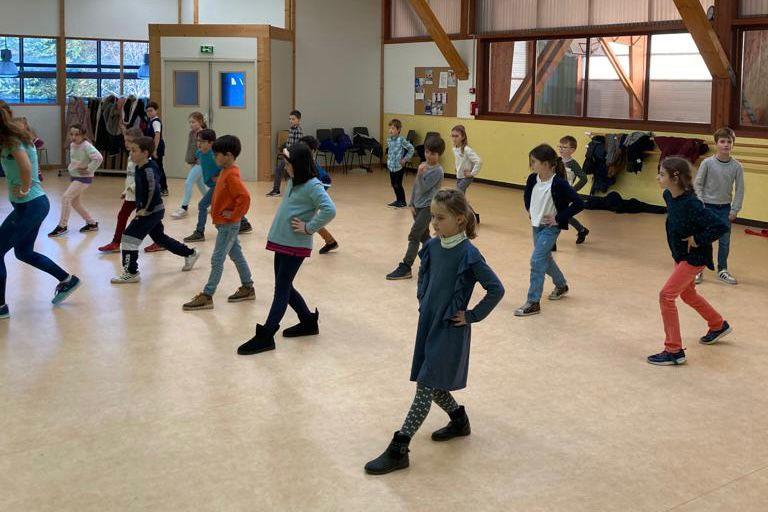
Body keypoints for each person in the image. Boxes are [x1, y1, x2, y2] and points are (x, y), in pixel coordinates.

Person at [364, 189, 505, 475]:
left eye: (440, 218)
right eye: (432, 217)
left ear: (460, 219)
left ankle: (399, 448)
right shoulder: (432, 247)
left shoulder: (469, 254)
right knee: (433, 381)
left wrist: (471, 315)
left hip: (450, 329)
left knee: (425, 384)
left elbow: (496, 289)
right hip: (429, 323)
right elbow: (424, 275)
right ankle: (458, 419)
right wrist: (422, 299)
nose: (434, 224)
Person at [237, 142, 336, 355]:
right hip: (282, 241)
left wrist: (309, 228)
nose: (285, 167)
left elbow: (330, 209)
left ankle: (267, 335)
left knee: (281, 289)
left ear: (298, 164)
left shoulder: (312, 185)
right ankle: (308, 321)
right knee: (284, 285)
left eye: (288, 163)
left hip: (295, 245)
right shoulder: (293, 181)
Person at [647, 157, 732, 366]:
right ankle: (718, 324)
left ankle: (674, 350)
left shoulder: (692, 204)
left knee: (666, 296)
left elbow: (721, 226)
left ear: (675, 178)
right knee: (688, 294)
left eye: (662, 174)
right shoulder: (668, 195)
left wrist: (698, 239)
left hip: (694, 257)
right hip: (680, 255)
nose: (658, 177)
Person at [0, 101, 81, 318]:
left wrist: (24, 188)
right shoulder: (13, 137)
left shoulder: (11, 141)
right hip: (33, 205)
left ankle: (1, 307)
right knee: (23, 252)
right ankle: (67, 280)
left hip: (31, 205)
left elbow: (26, 167)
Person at [110, 137, 200, 284]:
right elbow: (141, 186)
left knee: (129, 237)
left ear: (145, 153)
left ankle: (131, 273)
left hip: (150, 211)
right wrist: (129, 190)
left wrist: (146, 209)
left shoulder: (149, 169)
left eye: (134, 150)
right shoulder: (139, 166)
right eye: (130, 150)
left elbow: (152, 190)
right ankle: (190, 253)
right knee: (159, 238)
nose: (130, 153)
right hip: (151, 210)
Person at [183, 135, 254, 310]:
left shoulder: (231, 175)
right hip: (224, 224)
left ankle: (207, 295)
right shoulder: (224, 171)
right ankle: (248, 287)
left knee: (217, 259)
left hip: (228, 225)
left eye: (217, 155)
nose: (214, 158)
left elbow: (244, 197)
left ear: (228, 155)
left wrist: (234, 215)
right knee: (236, 254)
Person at [515, 144, 584, 317]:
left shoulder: (559, 183)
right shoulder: (533, 178)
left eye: (534, 161)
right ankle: (561, 285)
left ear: (546, 164)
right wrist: (530, 210)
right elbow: (527, 196)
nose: (531, 165)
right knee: (545, 259)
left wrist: (558, 218)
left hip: (550, 228)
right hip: (536, 226)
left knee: (536, 261)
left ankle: (533, 302)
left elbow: (579, 203)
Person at [386, 135, 445, 280]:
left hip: (428, 207)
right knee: (424, 236)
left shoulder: (438, 171)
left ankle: (406, 266)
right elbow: (416, 186)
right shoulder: (424, 165)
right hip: (417, 206)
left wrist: (419, 174)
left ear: (439, 154)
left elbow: (424, 187)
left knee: (414, 235)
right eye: (427, 152)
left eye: (433, 153)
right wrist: (411, 203)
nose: (429, 155)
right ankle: (436, 262)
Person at [693, 127, 745, 285]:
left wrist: (735, 209)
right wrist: (700, 203)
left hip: (725, 209)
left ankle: (722, 269)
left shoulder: (737, 166)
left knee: (724, 241)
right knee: (704, 240)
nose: (726, 144)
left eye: (729, 141)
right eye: (722, 141)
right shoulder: (707, 163)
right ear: (716, 143)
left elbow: (740, 189)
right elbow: (698, 184)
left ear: (733, 144)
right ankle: (699, 268)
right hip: (707, 207)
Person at [183, 129, 252, 242]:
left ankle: (199, 232)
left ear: (211, 143)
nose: (199, 143)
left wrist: (219, 176)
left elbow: (225, 167)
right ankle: (244, 223)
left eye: (202, 141)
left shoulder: (215, 155)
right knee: (228, 203)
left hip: (217, 185)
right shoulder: (199, 153)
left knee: (202, 205)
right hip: (212, 185)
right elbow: (199, 160)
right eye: (197, 141)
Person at [47, 124, 103, 237]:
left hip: (84, 178)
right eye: (71, 134)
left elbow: (98, 158)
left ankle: (62, 226)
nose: (73, 137)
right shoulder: (72, 144)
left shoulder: (86, 145)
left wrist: (89, 169)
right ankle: (91, 223)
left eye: (77, 134)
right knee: (75, 202)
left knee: (66, 197)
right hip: (75, 177)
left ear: (83, 135)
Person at [97, 127, 143, 253]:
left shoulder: (141, 157)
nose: (126, 143)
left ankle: (159, 241)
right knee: (123, 215)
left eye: (129, 141)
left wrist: (131, 189)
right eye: (125, 140)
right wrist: (126, 191)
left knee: (147, 219)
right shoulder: (131, 155)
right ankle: (116, 242)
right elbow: (131, 176)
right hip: (132, 194)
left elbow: (142, 176)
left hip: (141, 195)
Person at [300, 135, 338, 254]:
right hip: (313, 189)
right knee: (309, 217)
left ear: (312, 150)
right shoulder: (304, 160)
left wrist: (318, 191)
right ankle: (330, 241)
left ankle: (329, 241)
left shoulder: (311, 163)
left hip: (320, 187)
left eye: (303, 147)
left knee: (308, 217)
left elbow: (325, 180)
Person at [171, 112, 208, 219]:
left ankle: (184, 208)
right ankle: (212, 202)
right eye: (190, 122)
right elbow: (191, 147)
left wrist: (200, 159)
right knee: (200, 184)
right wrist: (190, 159)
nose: (191, 124)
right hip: (193, 162)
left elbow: (206, 149)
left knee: (188, 183)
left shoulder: (203, 134)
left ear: (200, 122)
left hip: (201, 164)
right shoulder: (191, 133)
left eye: (193, 122)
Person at [558, 135, 589, 244]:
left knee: (560, 215)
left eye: (564, 147)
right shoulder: (557, 161)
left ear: (572, 150)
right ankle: (582, 230)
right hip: (556, 192)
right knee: (563, 215)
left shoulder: (573, 164)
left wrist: (573, 190)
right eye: (560, 147)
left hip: (565, 195)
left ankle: (550, 239)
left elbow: (584, 178)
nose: (561, 149)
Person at [266, 110, 303, 197]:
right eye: (290, 119)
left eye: (293, 119)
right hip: (287, 154)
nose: (291, 121)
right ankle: (277, 190)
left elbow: (297, 145)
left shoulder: (298, 130)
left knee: (287, 172)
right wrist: (283, 147)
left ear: (298, 120)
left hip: (292, 155)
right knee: (280, 170)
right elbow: (289, 142)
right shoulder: (291, 129)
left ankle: (280, 190)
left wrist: (288, 152)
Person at [385, 119, 415, 208]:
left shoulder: (401, 140)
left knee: (398, 184)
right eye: (390, 128)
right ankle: (398, 200)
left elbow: (411, 149)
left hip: (399, 166)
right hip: (391, 166)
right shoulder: (389, 140)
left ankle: (402, 201)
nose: (390, 130)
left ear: (398, 130)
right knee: (393, 184)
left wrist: (405, 159)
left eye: (393, 128)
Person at [144, 101, 168, 196]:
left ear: (156, 111)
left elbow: (157, 135)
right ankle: (157, 187)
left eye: (151, 111)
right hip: (153, 147)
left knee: (159, 167)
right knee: (154, 167)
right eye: (147, 111)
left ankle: (164, 188)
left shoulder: (156, 122)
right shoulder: (150, 121)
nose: (149, 113)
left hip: (157, 147)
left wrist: (154, 149)